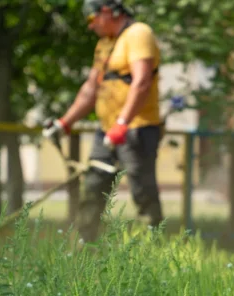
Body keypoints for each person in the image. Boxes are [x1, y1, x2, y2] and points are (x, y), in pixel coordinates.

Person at [44, 0, 164, 243]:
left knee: (142, 191)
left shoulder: (139, 34)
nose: (90, 26)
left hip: (137, 128)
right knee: (93, 188)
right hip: (107, 130)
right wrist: (64, 124)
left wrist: (122, 123)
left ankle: (156, 245)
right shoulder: (105, 44)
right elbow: (90, 89)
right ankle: (84, 247)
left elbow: (141, 82)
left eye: (92, 18)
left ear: (107, 11)